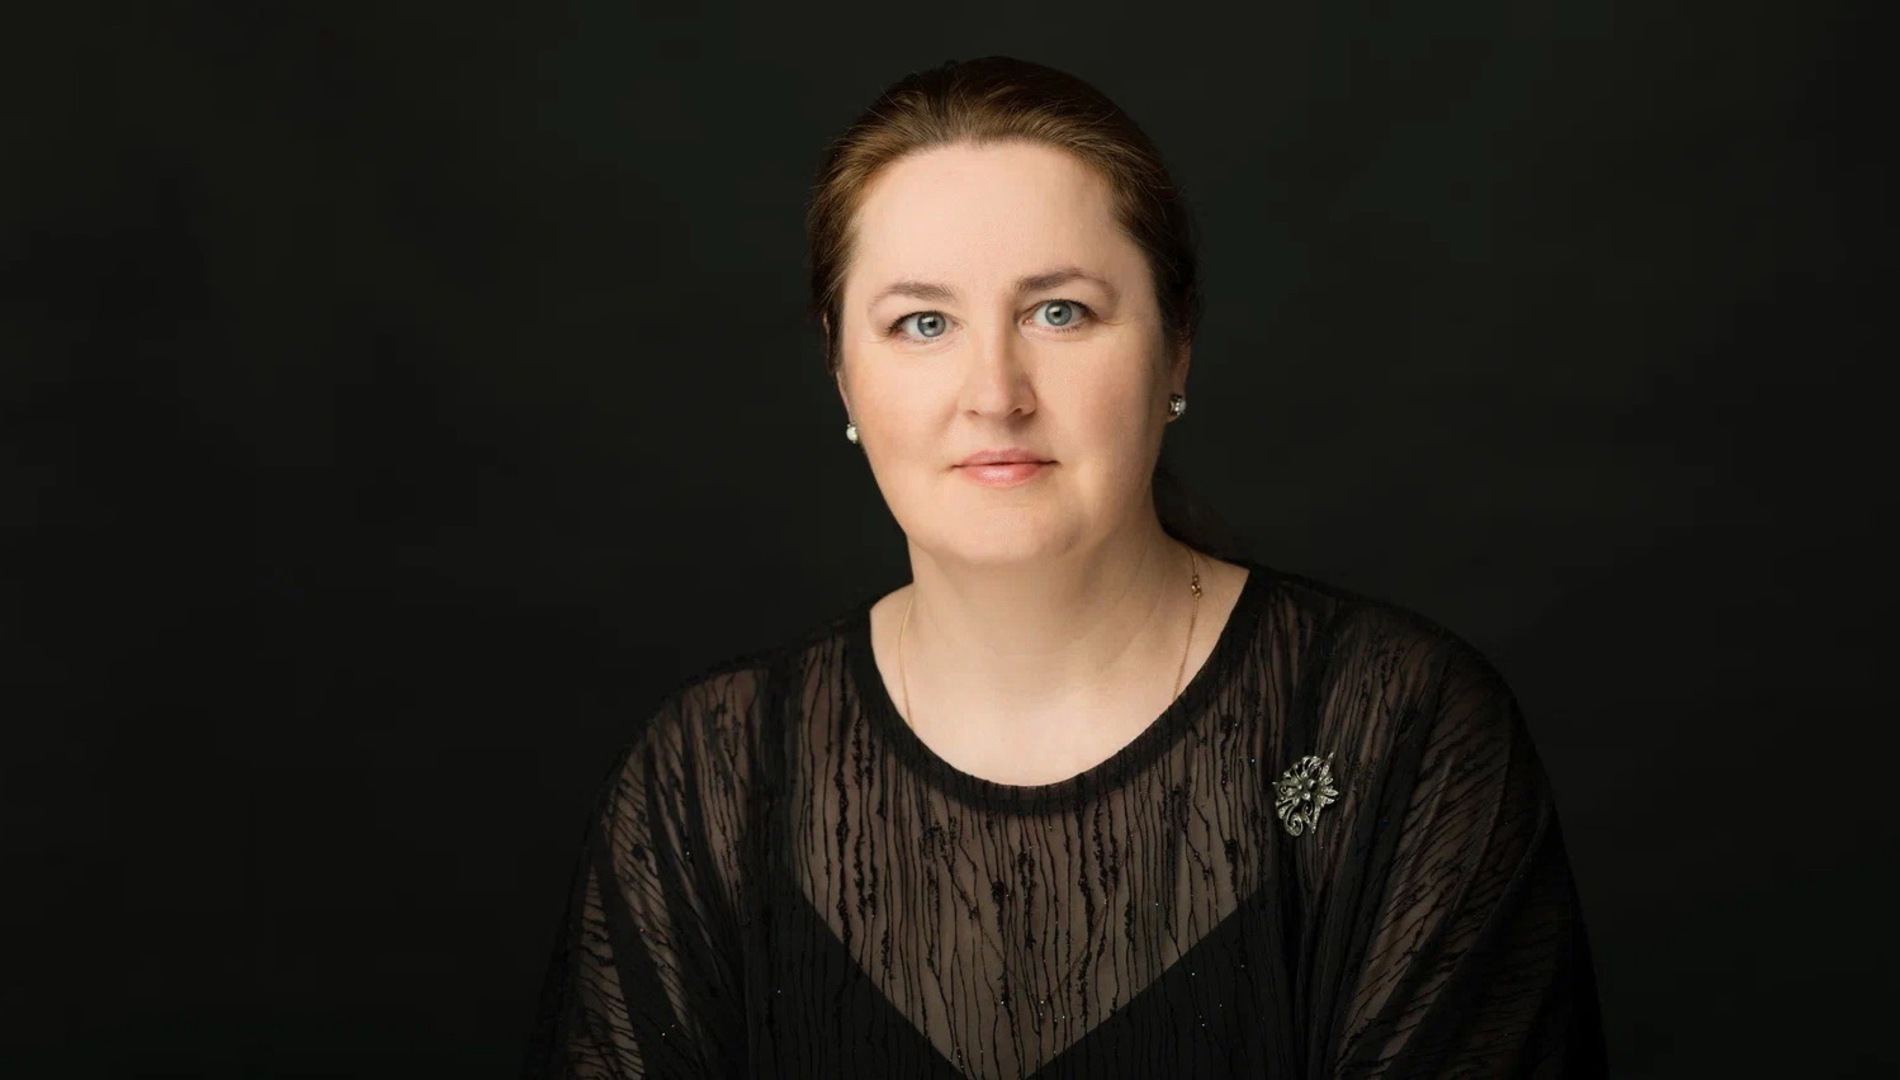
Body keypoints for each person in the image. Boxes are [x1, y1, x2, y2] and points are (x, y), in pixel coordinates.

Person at [521, 56, 1607, 1078]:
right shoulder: (706, 782)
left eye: (1060, 312)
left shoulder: (1396, 732)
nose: (995, 393)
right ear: (843, 373)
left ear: (1176, 345)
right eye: (923, 322)